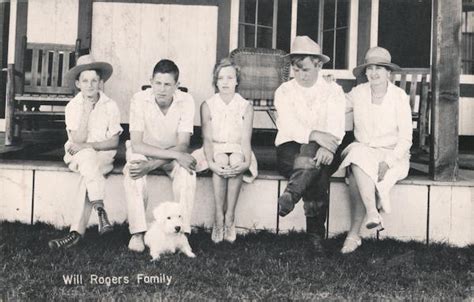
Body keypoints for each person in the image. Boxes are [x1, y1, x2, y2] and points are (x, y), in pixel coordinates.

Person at [275, 36, 346, 253]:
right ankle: (315, 237)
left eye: (305, 69)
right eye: (296, 70)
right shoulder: (285, 91)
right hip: (290, 149)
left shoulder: (333, 91)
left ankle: (292, 194)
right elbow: (287, 126)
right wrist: (314, 134)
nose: (300, 75)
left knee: (315, 162)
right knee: (315, 167)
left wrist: (329, 147)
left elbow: (337, 126)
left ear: (319, 64)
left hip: (326, 149)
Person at [339, 47, 412, 254]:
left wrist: (388, 161)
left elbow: (406, 139)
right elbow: (335, 105)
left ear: (388, 72)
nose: (374, 73)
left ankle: (353, 235)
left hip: (392, 154)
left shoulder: (399, 97)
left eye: (379, 68)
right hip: (364, 151)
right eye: (370, 68)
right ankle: (372, 212)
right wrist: (328, 89)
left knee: (356, 169)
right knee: (357, 155)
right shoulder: (359, 92)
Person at [48, 55, 122, 249]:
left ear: (101, 83)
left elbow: (114, 141)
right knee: (88, 159)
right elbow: (77, 141)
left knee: (89, 174)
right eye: (85, 81)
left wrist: (89, 146)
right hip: (77, 155)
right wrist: (87, 111)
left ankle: (75, 234)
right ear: (78, 84)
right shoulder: (73, 106)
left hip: (103, 156)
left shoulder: (110, 106)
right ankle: (100, 208)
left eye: (94, 81)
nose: (90, 85)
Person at [123, 59, 197, 253]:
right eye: (158, 83)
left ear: (177, 86)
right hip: (145, 152)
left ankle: (183, 234)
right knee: (134, 170)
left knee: (188, 173)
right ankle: (137, 233)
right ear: (151, 81)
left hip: (173, 154)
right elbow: (137, 143)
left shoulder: (186, 101)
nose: (162, 89)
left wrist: (156, 163)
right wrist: (150, 164)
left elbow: (183, 144)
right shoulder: (139, 99)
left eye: (167, 84)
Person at [195, 58, 257, 243]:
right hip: (215, 148)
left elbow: (245, 139)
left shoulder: (245, 106)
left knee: (237, 160)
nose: (225, 82)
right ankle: (218, 218)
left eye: (230, 78)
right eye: (221, 78)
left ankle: (230, 216)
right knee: (221, 160)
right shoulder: (208, 105)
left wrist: (246, 161)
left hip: (238, 147)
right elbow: (207, 139)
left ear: (237, 81)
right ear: (216, 81)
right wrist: (211, 163)